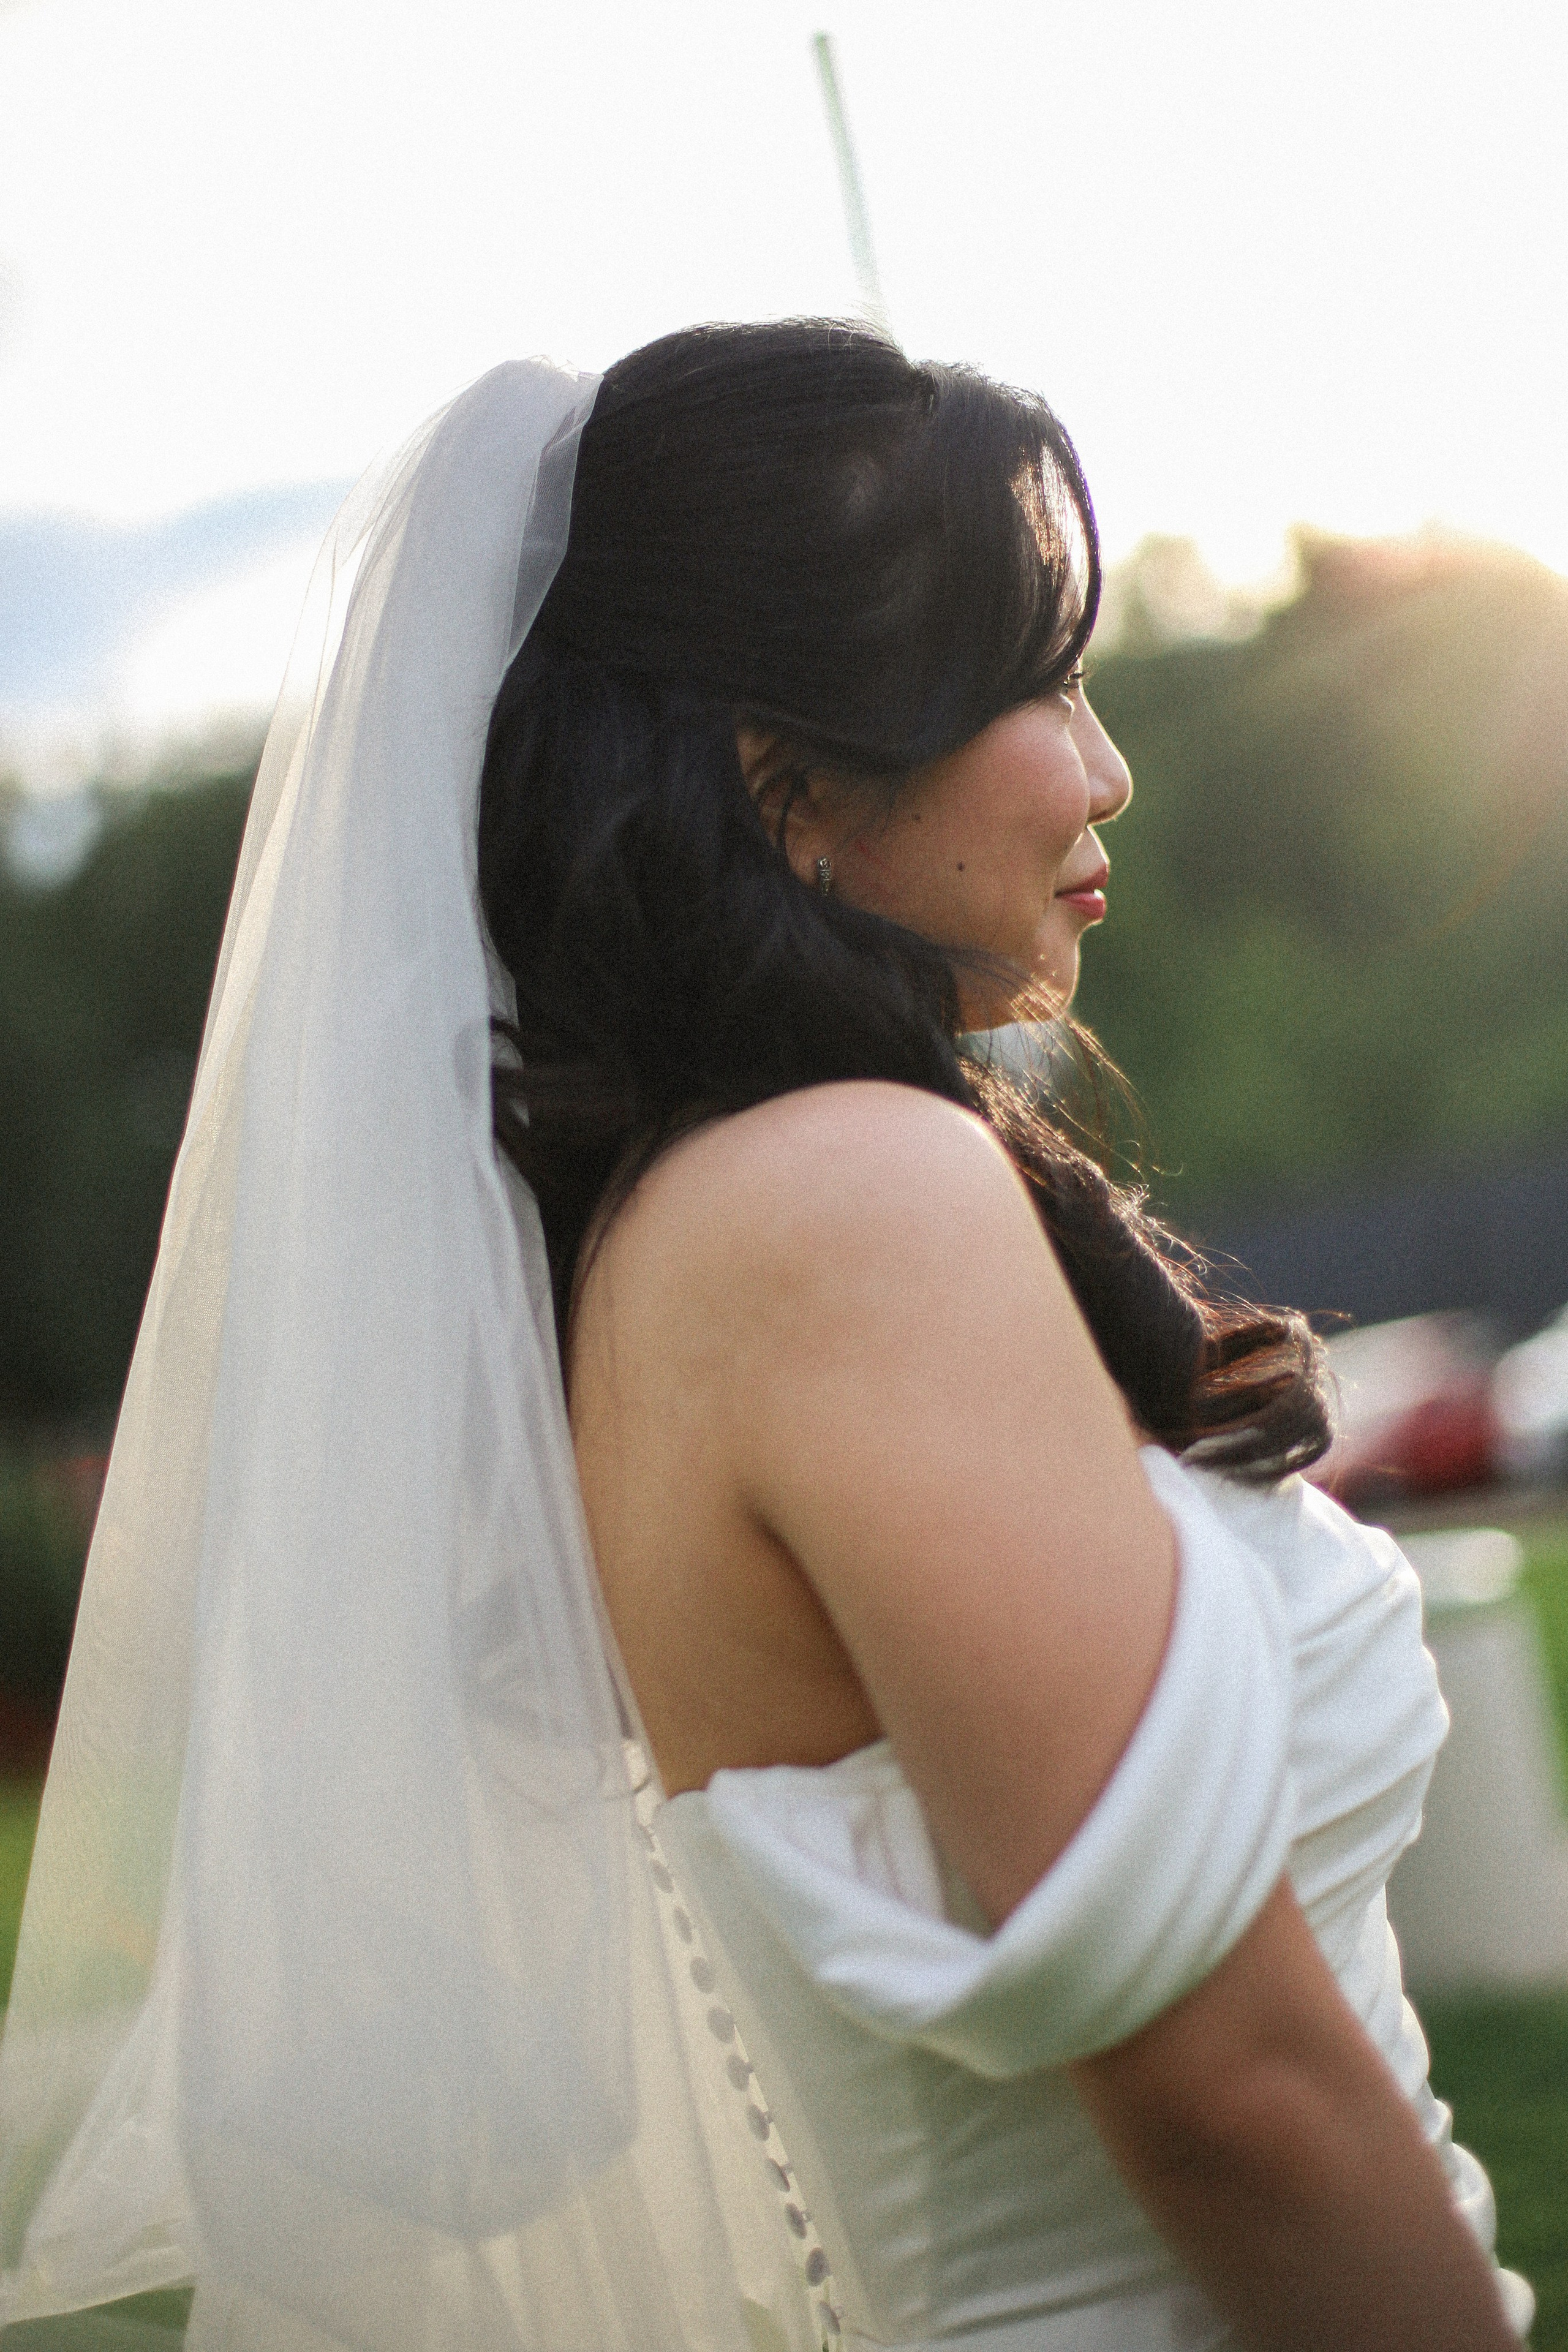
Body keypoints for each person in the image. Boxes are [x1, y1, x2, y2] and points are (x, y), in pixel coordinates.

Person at [0, 327, 1530, 2351]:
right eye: (1037, 683)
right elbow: (1229, 2095)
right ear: (784, 783)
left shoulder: (684, 1228)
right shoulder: (834, 1200)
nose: (1109, 764)